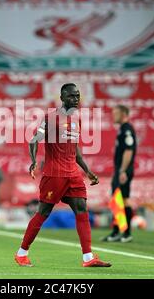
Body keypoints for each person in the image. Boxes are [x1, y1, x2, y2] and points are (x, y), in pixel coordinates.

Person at [14, 83, 111, 267]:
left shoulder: (76, 120)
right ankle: (21, 253)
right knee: (43, 212)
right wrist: (34, 161)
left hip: (73, 174)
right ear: (62, 98)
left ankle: (88, 257)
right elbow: (34, 140)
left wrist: (88, 171)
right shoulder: (51, 118)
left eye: (77, 96)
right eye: (72, 96)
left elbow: (75, 150)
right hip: (55, 174)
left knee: (81, 209)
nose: (75, 99)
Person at [101, 105, 137, 243]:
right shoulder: (122, 129)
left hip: (123, 170)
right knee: (117, 200)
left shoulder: (127, 129)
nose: (113, 116)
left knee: (123, 199)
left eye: (115, 113)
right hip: (121, 170)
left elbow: (129, 151)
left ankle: (125, 232)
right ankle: (118, 231)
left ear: (123, 114)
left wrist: (122, 170)